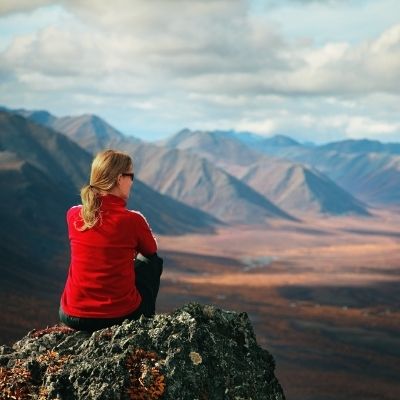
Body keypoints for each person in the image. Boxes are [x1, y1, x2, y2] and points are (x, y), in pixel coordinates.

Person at [59, 149, 163, 332]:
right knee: (151, 262)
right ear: (119, 179)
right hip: (116, 317)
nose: (132, 182)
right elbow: (151, 250)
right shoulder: (132, 220)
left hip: (70, 315)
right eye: (131, 176)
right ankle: (145, 324)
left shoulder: (73, 214)